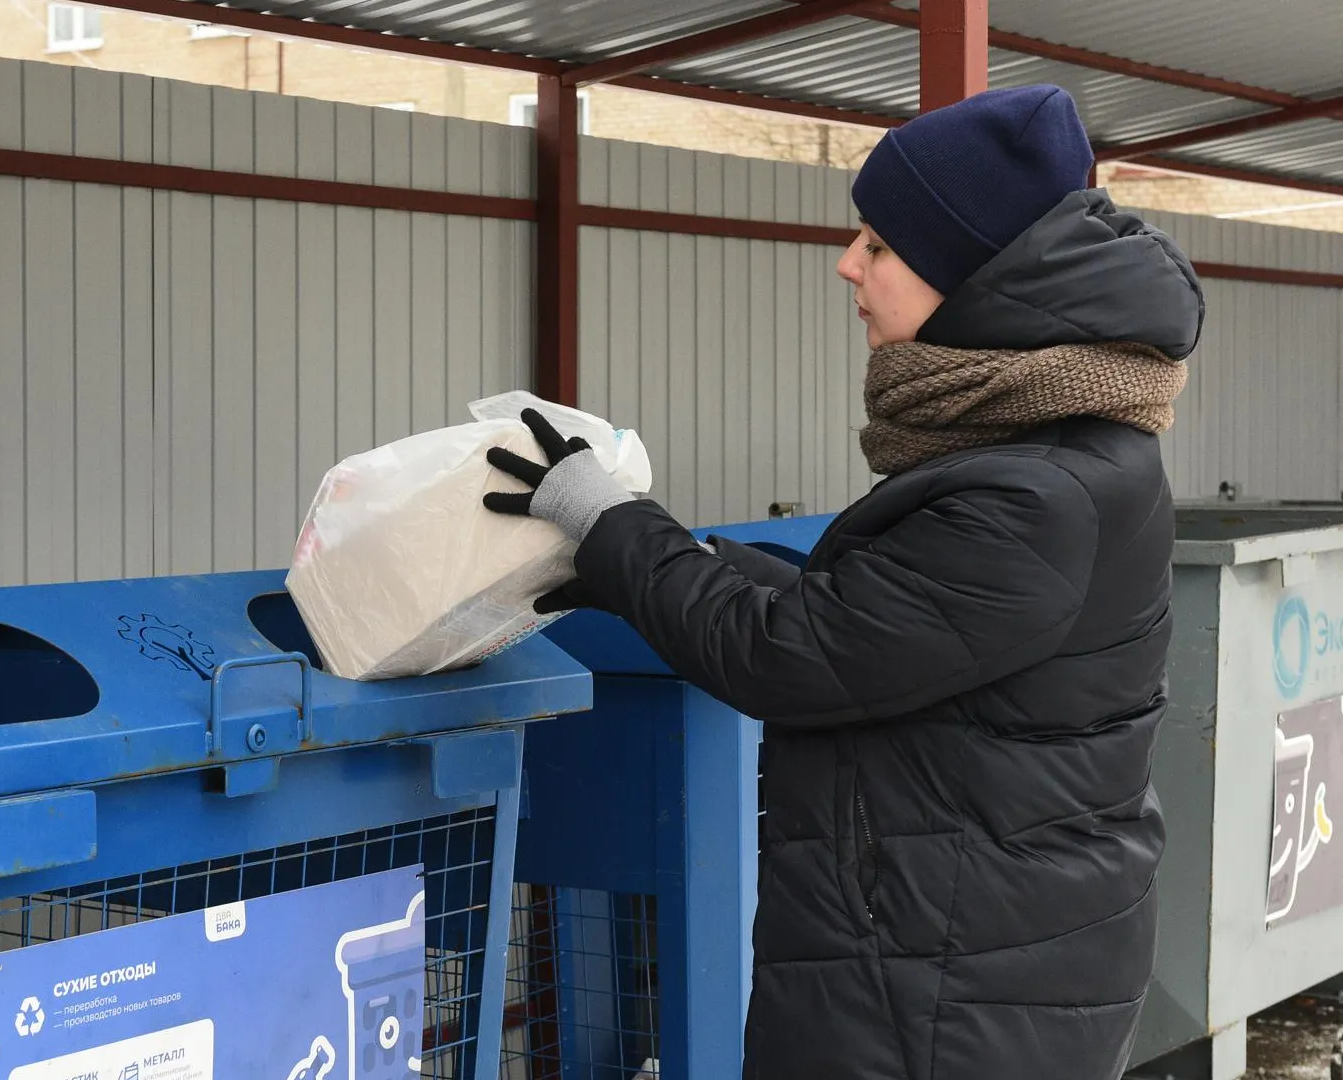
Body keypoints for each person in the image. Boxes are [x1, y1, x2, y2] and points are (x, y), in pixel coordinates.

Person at [482, 84, 1203, 1080]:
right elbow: (865, 620)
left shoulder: (1039, 497)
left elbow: (792, 656)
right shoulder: (1052, 450)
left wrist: (610, 525)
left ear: (971, 277)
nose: (847, 265)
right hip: (958, 959)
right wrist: (631, 564)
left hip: (947, 998)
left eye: (879, 245)